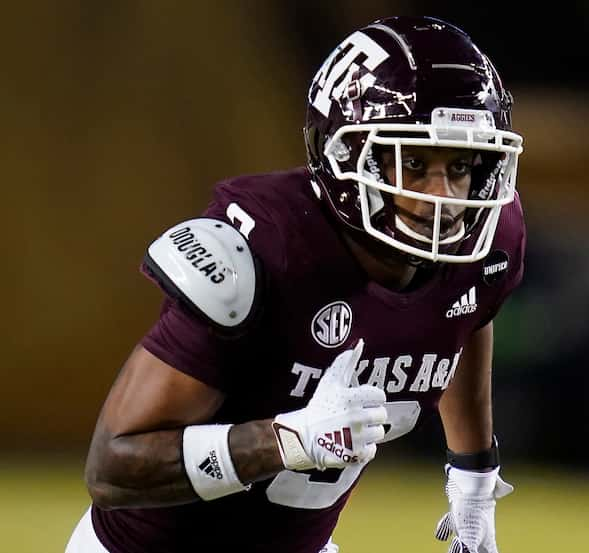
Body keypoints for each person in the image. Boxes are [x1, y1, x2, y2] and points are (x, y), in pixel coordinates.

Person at [66, 14, 526, 553]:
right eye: (413, 164)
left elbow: (464, 314)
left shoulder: (483, 242)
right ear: (345, 154)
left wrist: (472, 483)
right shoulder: (269, 250)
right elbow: (112, 466)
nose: (441, 196)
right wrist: (286, 441)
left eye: (462, 166)